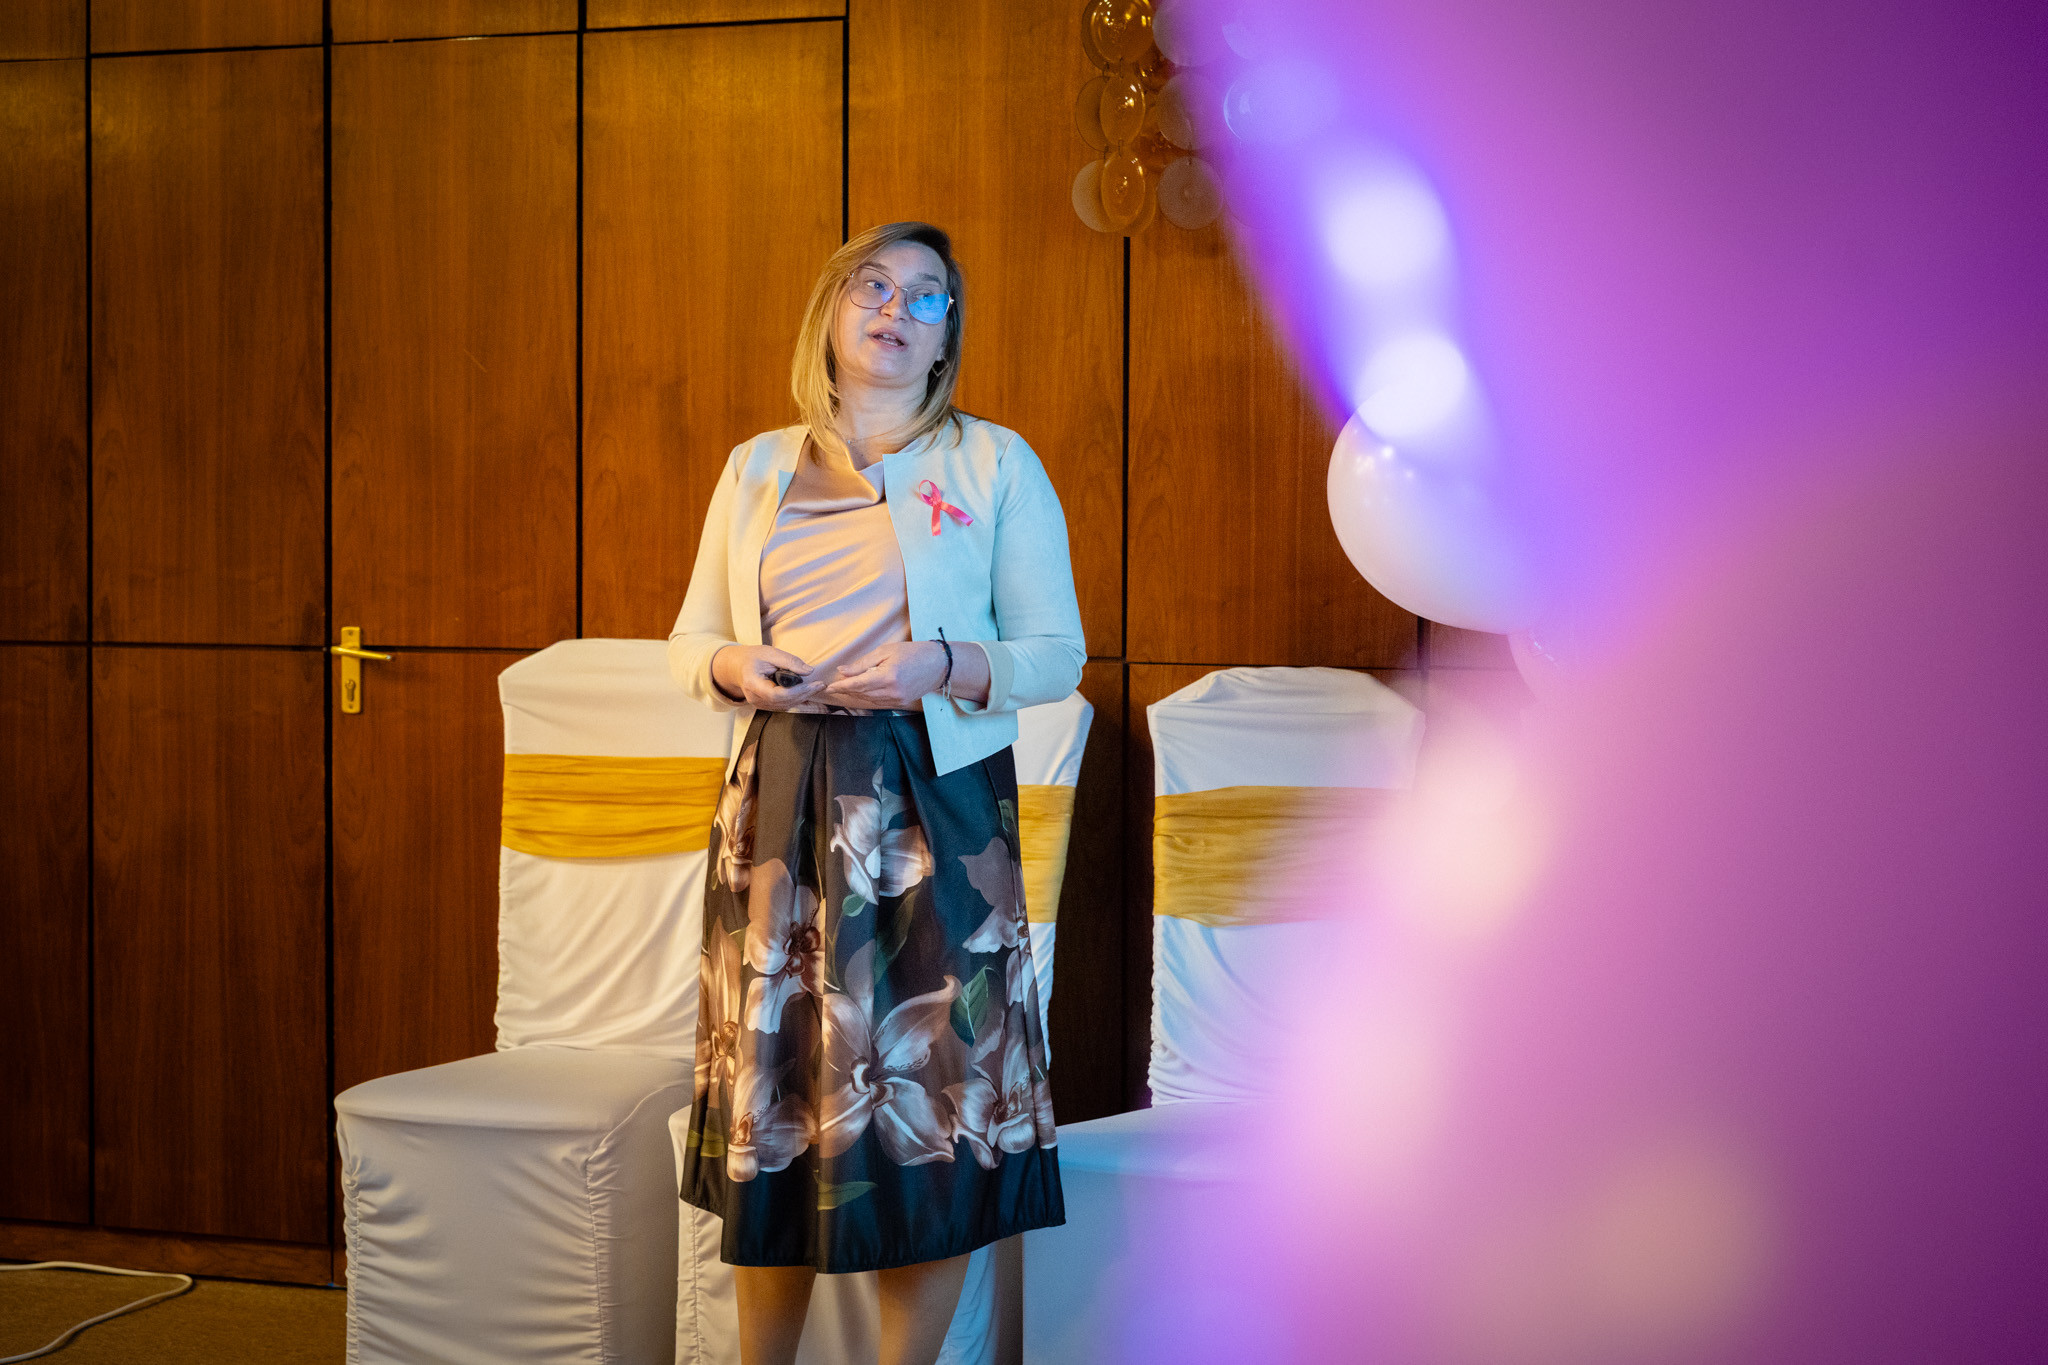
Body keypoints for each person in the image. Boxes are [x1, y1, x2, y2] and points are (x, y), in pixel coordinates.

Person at [668, 221, 1084, 1365]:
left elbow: (1055, 653)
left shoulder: (994, 463)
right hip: (780, 804)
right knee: (776, 1114)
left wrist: (937, 663)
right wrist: (733, 666)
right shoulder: (755, 466)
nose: (897, 310)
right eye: (873, 286)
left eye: (926, 296)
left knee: (931, 1115)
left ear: (947, 337)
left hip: (936, 807)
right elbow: (691, 641)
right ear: (832, 315)